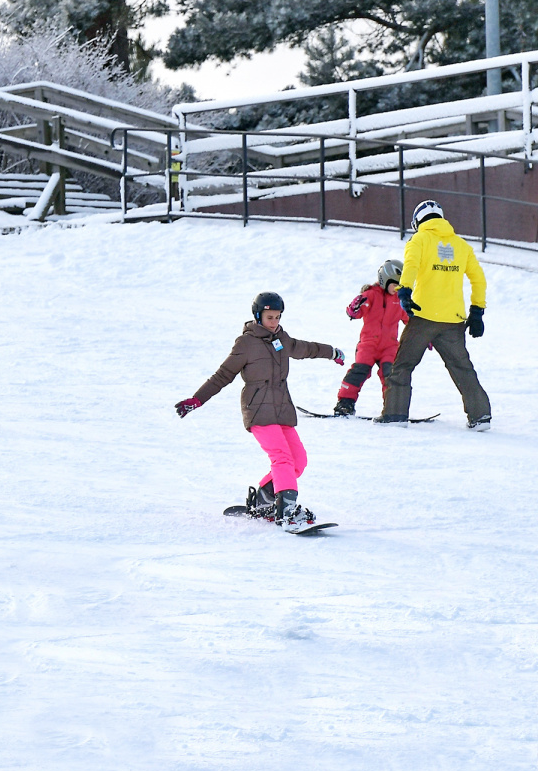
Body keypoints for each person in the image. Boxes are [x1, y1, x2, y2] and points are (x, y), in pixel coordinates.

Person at [174, 292, 345, 532]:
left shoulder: (282, 339)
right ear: (258, 316)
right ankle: (285, 511)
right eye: (269, 317)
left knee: (298, 461)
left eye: (277, 317)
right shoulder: (246, 343)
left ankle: (264, 501)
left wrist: (332, 352)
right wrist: (197, 399)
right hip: (258, 411)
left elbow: (305, 348)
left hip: (282, 410)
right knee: (282, 458)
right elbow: (223, 375)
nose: (274, 322)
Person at [381, 200, 491, 429]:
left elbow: (411, 266)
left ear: (417, 221)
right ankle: (480, 416)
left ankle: (395, 415)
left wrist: (404, 291)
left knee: (403, 365)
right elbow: (478, 279)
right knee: (462, 368)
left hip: (424, 317)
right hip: (453, 320)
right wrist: (477, 311)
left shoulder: (419, 240)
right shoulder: (461, 245)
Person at [333, 259, 409, 417]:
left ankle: (392, 407)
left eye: (400, 286)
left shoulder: (400, 300)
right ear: (385, 280)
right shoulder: (371, 295)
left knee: (391, 374)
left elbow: (409, 319)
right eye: (395, 285)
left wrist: (423, 336)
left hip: (389, 346)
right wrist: (353, 309)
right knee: (359, 371)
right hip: (368, 344)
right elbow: (355, 313)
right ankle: (345, 403)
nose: (397, 289)